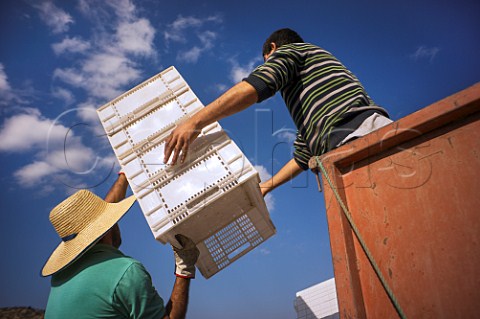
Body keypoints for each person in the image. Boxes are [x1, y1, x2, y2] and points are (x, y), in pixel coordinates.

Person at [163, 28, 392, 195]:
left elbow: (260, 83)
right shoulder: (314, 106)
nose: (268, 65)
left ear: (272, 49)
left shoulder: (293, 51)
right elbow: (303, 156)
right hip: (345, 148)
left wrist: (194, 122)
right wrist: (266, 186)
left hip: (360, 138)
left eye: (266, 61)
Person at [42, 172, 199, 319]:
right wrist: (184, 270)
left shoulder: (60, 278)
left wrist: (125, 175)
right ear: (104, 230)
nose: (115, 222)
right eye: (111, 220)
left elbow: (107, 206)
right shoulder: (126, 272)